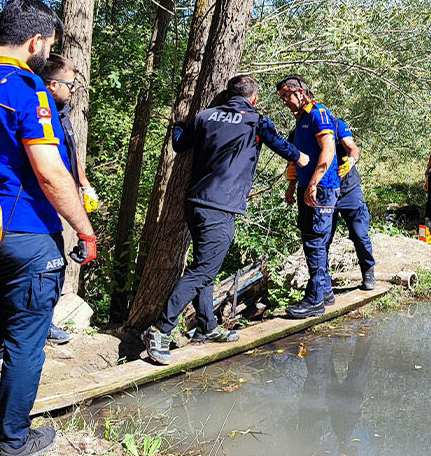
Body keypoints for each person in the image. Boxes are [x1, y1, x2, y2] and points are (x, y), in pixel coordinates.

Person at [0, 0, 97, 456]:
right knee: (26, 341)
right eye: (48, 43)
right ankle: (14, 441)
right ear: (35, 40)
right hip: (24, 233)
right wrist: (84, 230)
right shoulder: (28, 91)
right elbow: (49, 171)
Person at [141, 75, 309, 365]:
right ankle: (159, 330)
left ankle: (206, 327)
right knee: (204, 270)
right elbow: (283, 147)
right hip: (220, 207)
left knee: (203, 267)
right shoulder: (256, 121)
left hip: (195, 203)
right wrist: (301, 157)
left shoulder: (205, 116)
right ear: (253, 98)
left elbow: (180, 144)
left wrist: (178, 125)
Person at [40, 53, 100, 345]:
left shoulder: (61, 113)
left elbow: (70, 155)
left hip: (66, 201)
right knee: (44, 267)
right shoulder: (41, 111)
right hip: (46, 202)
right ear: (52, 84)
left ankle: (45, 321)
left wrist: (85, 186)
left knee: (57, 264)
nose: (73, 89)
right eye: (70, 84)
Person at [276, 74, 340, 319]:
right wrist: (294, 187)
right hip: (308, 187)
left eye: (286, 96)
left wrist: (314, 183)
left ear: (300, 92)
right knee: (311, 239)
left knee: (315, 240)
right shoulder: (302, 119)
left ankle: (314, 301)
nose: (285, 102)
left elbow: (329, 149)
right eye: (282, 98)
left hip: (322, 187)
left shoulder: (318, 114)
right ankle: (324, 292)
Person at [287, 117, 376, 291]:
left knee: (360, 234)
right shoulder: (297, 132)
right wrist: (291, 186)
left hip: (348, 188)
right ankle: (323, 284)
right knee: (322, 239)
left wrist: (351, 161)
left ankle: (368, 272)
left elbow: (352, 147)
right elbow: (294, 164)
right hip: (323, 193)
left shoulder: (335, 124)